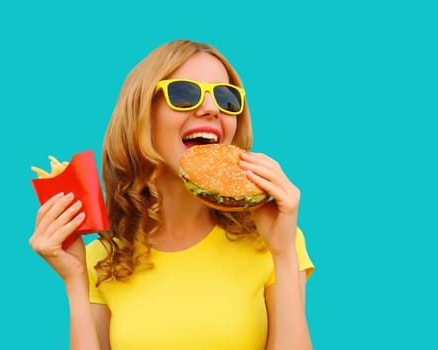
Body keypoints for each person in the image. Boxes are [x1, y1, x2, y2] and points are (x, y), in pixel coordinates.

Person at [28, 39, 315, 350]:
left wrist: (284, 254)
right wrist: (75, 281)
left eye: (226, 98)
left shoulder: (274, 238)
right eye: (184, 94)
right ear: (142, 114)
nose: (211, 108)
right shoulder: (106, 257)